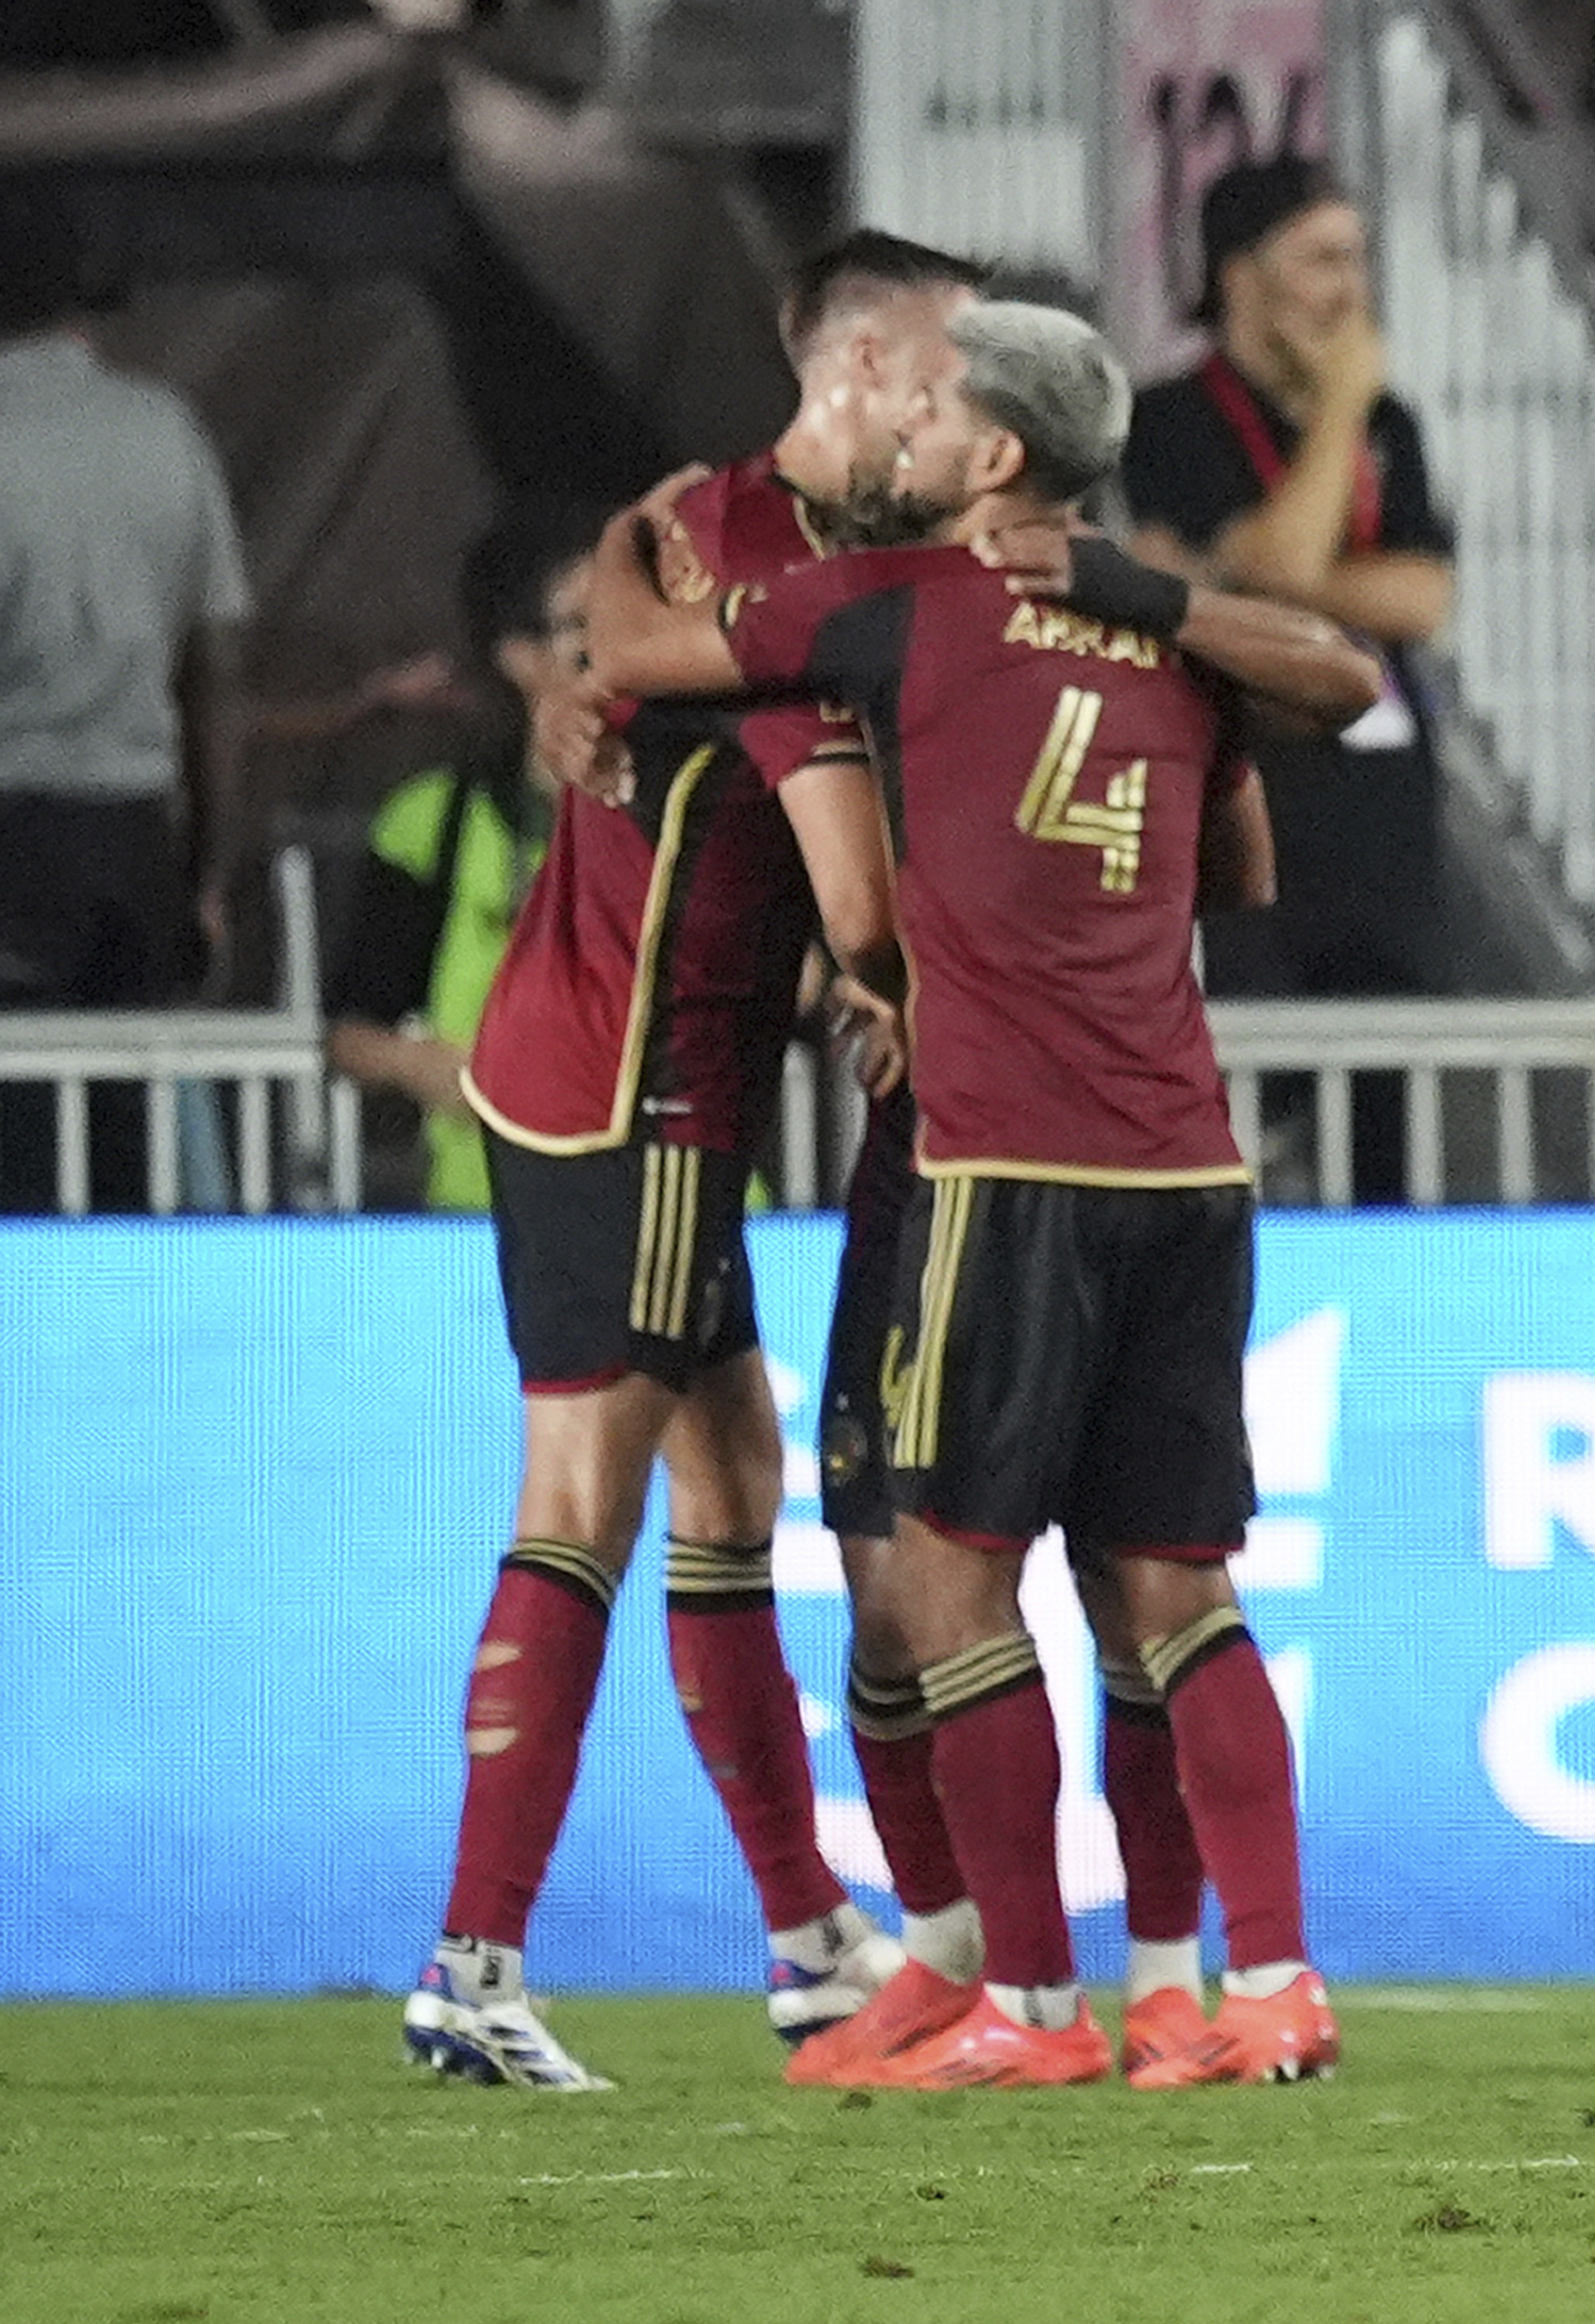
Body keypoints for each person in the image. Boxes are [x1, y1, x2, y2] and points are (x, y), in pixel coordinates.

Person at [591, 300, 1365, 2090]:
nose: (906, 433)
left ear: (993, 458)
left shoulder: (891, 613)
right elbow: (1238, 861)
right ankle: (1270, 1983)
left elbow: (644, 650)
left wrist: (624, 543)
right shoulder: (1170, 640)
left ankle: (1028, 2006)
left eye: (929, 412)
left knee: (944, 1587)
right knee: (1175, 1595)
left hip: (1000, 1164)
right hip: (1185, 1162)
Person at [393, 231, 1010, 2091]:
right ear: (875, 364)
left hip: (598, 1057)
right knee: (583, 1495)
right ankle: (475, 1964)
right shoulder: (790, 591)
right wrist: (915, 982)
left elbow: (662, 680)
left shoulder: (692, 517)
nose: (965, 401)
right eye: (953, 364)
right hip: (643, 1086)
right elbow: (845, 885)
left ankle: (810, 1938)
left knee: (731, 1487)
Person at [1121, 157, 1457, 1200]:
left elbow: (1422, 598)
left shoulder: (1389, 427)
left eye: (1355, 258)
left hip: (1383, 821)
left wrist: (1267, 573)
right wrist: (1338, 413)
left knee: (1388, 1111)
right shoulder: (1169, 416)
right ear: (1241, 276)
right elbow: (1281, 564)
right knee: (1248, 1102)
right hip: (1253, 807)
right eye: (1320, 260)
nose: (1348, 288)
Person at [0, 179, 251, 1213]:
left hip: (12, 839)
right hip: (136, 850)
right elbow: (220, 672)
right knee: (131, 1155)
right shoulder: (165, 431)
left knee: (16, 1154)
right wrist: (206, 871)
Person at [322, 504, 593, 1210]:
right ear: (519, 656)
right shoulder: (431, 824)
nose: (621, 649)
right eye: (585, 629)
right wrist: (422, 1066)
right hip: (484, 1212)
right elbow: (351, 1028)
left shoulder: (696, 800)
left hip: (679, 1211)